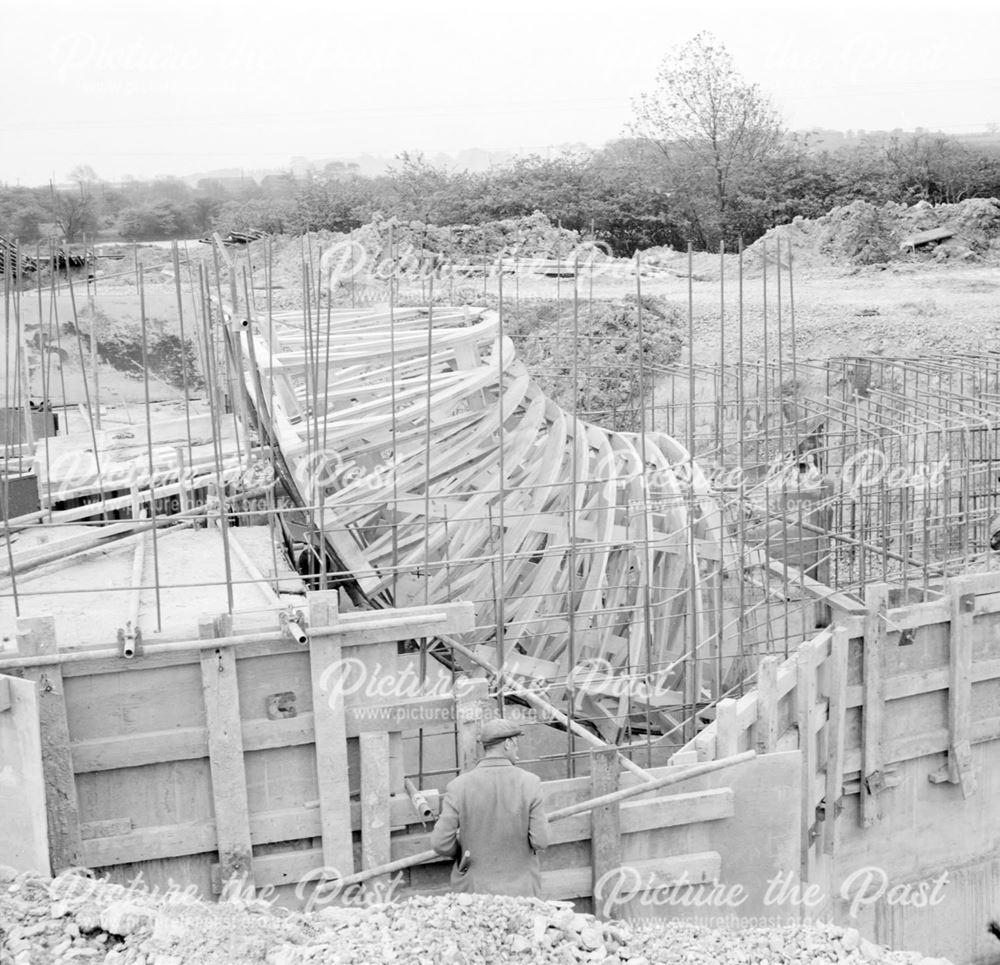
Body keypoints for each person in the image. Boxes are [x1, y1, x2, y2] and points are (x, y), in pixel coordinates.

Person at [430, 717, 549, 896]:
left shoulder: (458, 786)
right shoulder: (530, 783)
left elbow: (440, 843)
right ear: (508, 744)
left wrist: (463, 853)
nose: (517, 749)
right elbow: (541, 840)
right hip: (522, 891)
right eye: (516, 743)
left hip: (473, 891)